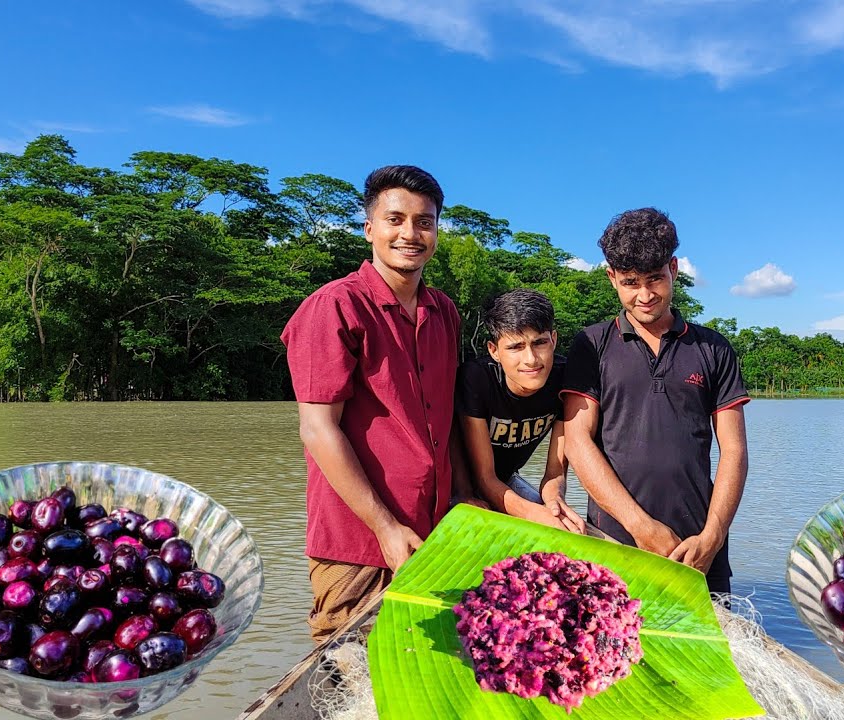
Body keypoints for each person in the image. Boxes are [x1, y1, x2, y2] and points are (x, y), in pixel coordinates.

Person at [281, 165, 468, 644]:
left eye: (424, 222)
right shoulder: (334, 307)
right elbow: (318, 429)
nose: (410, 233)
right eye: (395, 219)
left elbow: (444, 427)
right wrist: (385, 527)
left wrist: (464, 504)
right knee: (346, 673)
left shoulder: (444, 311)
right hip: (357, 543)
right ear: (370, 229)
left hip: (432, 535)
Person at [561, 207, 750, 594]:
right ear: (612, 278)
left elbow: (734, 450)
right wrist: (640, 527)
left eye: (655, 279)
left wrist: (712, 537)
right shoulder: (591, 345)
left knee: (708, 654)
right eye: (630, 282)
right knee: (610, 651)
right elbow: (577, 442)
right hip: (612, 542)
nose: (645, 295)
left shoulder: (712, 348)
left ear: (674, 270)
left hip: (697, 548)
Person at [456, 289, 585, 533]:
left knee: (574, 529)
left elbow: (555, 472)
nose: (531, 359)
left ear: (554, 340)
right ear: (494, 351)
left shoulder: (564, 378)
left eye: (540, 343)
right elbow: (484, 478)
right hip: (460, 486)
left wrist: (554, 502)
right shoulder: (477, 379)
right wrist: (536, 514)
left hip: (506, 480)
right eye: (516, 347)